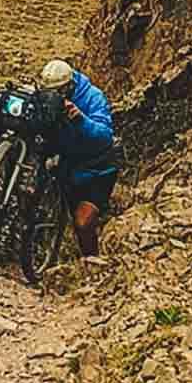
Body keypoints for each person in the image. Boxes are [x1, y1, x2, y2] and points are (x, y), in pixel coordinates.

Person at [39, 57, 119, 259]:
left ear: (70, 85)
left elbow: (105, 135)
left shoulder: (93, 97)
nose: (56, 96)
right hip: (66, 165)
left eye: (60, 91)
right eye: (51, 92)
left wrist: (81, 120)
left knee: (83, 222)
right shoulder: (46, 97)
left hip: (96, 170)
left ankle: (91, 261)